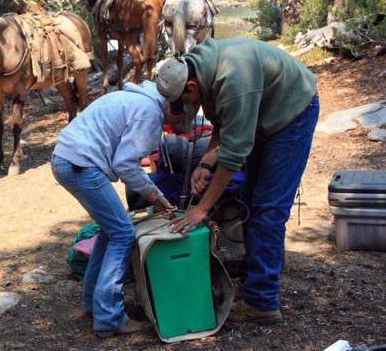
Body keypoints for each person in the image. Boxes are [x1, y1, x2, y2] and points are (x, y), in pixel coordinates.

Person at [156, 37, 319, 325]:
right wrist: (206, 162)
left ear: (190, 87)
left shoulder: (233, 79)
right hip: (260, 111)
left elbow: (233, 156)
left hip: (292, 113)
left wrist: (202, 209)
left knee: (268, 209)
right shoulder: (198, 66)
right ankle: (253, 274)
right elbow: (222, 124)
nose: (189, 108)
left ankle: (262, 301)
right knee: (249, 198)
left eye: (188, 102)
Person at [51, 80, 180, 338]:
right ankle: (109, 316)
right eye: (180, 116)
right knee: (123, 233)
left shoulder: (136, 97)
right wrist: (154, 194)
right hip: (80, 163)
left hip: (66, 158)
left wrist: (153, 194)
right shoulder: (150, 112)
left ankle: (94, 304)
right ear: (172, 105)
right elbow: (125, 164)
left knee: (111, 231)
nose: (178, 122)